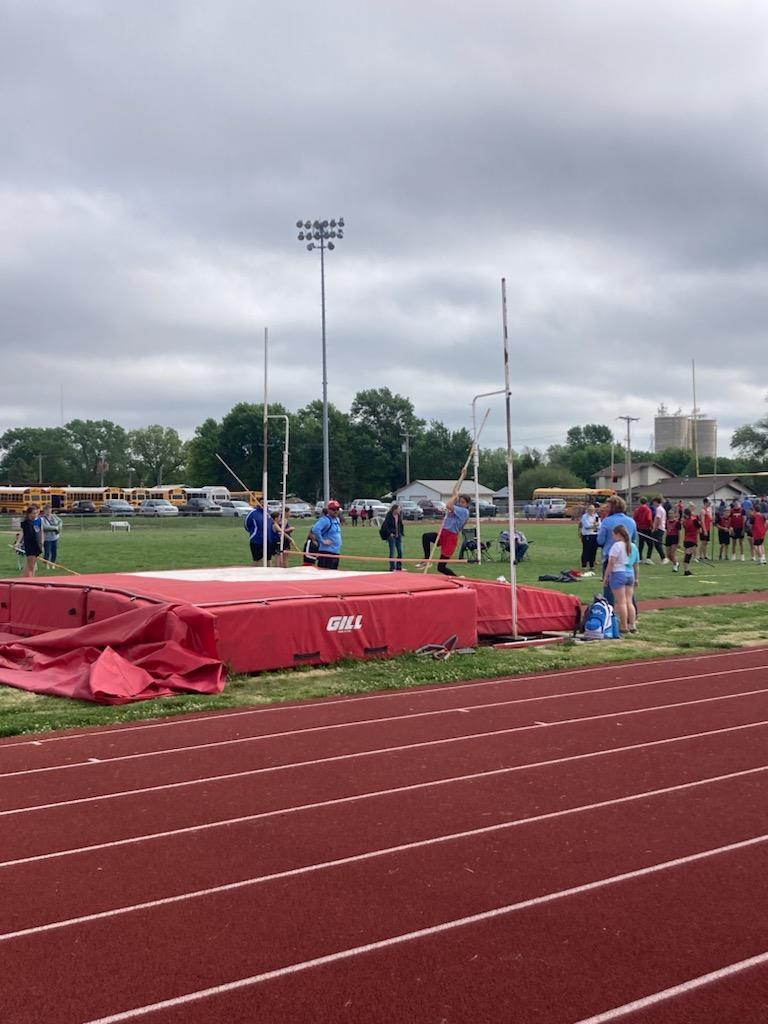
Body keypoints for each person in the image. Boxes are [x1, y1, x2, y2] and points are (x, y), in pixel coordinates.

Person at [597, 496, 637, 602]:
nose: (606, 508)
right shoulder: (631, 521)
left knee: (609, 589)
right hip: (627, 558)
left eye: (608, 506)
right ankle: (632, 610)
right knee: (629, 592)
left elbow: (600, 541)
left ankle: (609, 610)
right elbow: (634, 540)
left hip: (612, 558)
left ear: (613, 508)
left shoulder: (607, 521)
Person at [420, 494, 471, 576]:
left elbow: (448, 505)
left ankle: (456, 578)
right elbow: (449, 507)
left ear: (467, 504)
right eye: (460, 502)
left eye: (463, 502)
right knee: (426, 537)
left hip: (450, 538)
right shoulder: (457, 509)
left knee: (441, 567)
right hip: (443, 534)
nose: (461, 504)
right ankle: (427, 560)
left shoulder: (464, 511)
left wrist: (454, 496)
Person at [603, 525, 633, 634]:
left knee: (621, 602)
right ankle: (632, 624)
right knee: (629, 601)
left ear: (618, 534)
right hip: (629, 573)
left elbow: (611, 562)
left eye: (613, 535)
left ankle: (623, 626)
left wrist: (606, 576)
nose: (613, 537)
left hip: (618, 573)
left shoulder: (616, 546)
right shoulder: (630, 545)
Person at [311, 499, 343, 569]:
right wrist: (322, 541)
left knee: (333, 572)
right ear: (329, 510)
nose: (336, 511)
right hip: (326, 552)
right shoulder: (325, 520)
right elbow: (315, 529)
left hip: (336, 552)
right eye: (333, 509)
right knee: (324, 572)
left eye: (337, 509)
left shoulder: (337, 520)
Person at [20, 505, 43, 577]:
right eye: (33, 513)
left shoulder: (38, 521)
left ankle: (31, 578)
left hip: (37, 545)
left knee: (32, 565)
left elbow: (40, 532)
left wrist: (41, 543)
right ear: (29, 514)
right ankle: (29, 579)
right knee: (30, 566)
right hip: (31, 546)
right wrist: (18, 542)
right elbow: (26, 535)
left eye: (36, 513)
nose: (35, 514)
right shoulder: (27, 523)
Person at [381, 502, 405, 571]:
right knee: (392, 552)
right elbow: (385, 526)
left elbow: (400, 524)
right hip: (392, 537)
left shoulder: (398, 515)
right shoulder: (389, 516)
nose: (400, 510)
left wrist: (401, 533)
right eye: (399, 509)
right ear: (395, 509)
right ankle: (392, 567)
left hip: (398, 536)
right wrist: (390, 534)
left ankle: (399, 567)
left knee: (400, 551)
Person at [41, 503, 63, 568]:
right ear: (44, 510)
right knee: (47, 552)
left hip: (55, 537)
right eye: (47, 509)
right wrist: (55, 528)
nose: (48, 511)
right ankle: (47, 564)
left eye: (49, 509)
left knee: (54, 551)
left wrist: (59, 527)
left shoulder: (54, 516)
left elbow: (60, 521)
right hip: (47, 538)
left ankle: (53, 563)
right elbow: (44, 527)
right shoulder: (42, 518)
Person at [680, 507, 700, 577]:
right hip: (692, 540)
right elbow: (699, 528)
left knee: (687, 555)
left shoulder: (684, 522)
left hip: (686, 539)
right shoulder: (694, 520)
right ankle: (686, 571)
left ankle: (687, 570)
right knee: (688, 556)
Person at [633, 497, 654, 564]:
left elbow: (634, 518)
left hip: (639, 528)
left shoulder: (637, 510)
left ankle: (640, 558)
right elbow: (649, 519)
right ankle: (648, 558)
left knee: (641, 544)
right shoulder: (648, 510)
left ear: (640, 502)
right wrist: (652, 526)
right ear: (646, 502)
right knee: (650, 544)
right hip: (647, 528)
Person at [579, 503, 599, 569]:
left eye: (593, 509)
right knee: (586, 550)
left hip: (595, 535)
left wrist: (595, 526)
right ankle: (584, 565)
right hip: (587, 535)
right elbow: (586, 526)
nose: (591, 510)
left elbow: (600, 525)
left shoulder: (596, 516)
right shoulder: (584, 517)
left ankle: (592, 565)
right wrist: (594, 525)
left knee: (594, 550)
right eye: (590, 509)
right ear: (587, 510)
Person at [650, 498, 668, 564]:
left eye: (654, 502)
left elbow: (658, 519)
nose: (653, 504)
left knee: (658, 544)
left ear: (656, 502)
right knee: (657, 543)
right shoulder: (661, 509)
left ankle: (664, 558)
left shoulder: (659, 509)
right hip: (661, 528)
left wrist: (655, 528)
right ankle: (663, 558)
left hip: (659, 528)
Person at [665, 507, 682, 571]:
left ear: (674, 514)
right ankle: (676, 563)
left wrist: (679, 542)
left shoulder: (677, 522)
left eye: (671, 513)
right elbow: (667, 531)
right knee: (668, 555)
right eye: (669, 513)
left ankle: (675, 565)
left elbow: (679, 533)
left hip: (674, 538)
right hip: (668, 538)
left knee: (672, 554)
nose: (670, 515)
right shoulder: (667, 522)